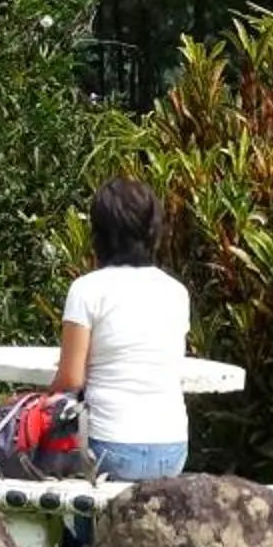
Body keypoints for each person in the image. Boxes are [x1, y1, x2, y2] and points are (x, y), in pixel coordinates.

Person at [48, 175, 189, 482]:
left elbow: (71, 378)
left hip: (111, 450)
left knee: (54, 452)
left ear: (98, 233)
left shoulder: (87, 290)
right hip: (172, 449)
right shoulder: (176, 292)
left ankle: (80, 532)